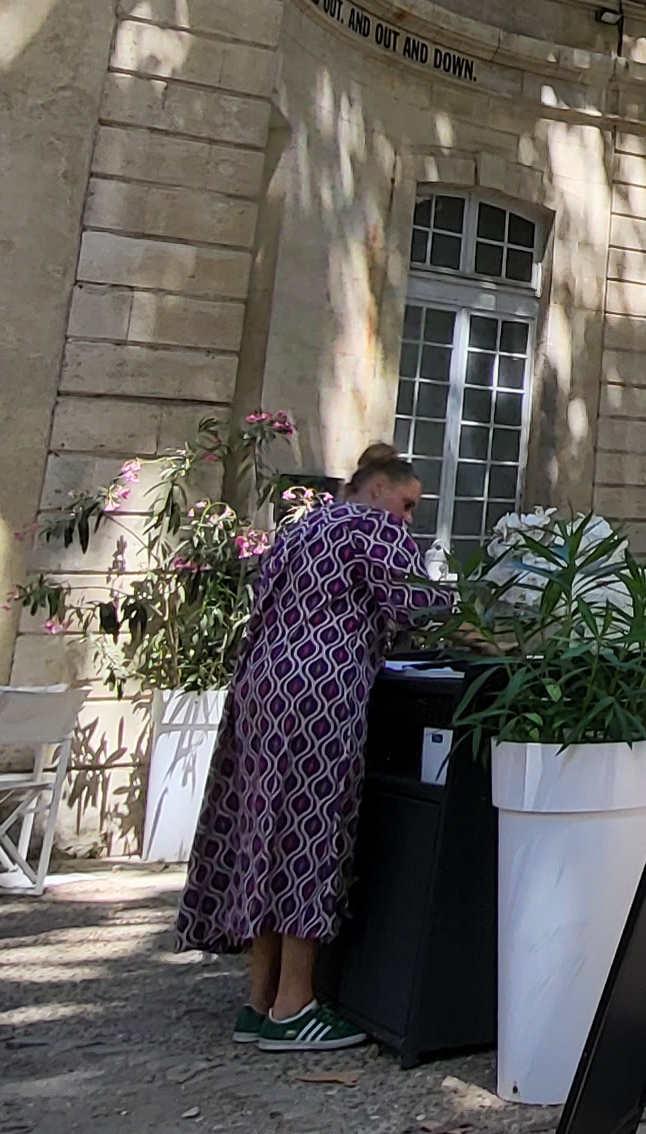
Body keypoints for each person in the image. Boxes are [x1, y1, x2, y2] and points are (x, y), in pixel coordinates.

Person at [177, 443, 450, 1051]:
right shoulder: (373, 527)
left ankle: (259, 1000)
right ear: (377, 489)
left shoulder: (302, 529)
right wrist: (469, 607)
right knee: (309, 834)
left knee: (261, 831)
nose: (408, 518)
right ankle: (295, 1005)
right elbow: (418, 604)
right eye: (407, 504)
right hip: (320, 694)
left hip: (259, 688)